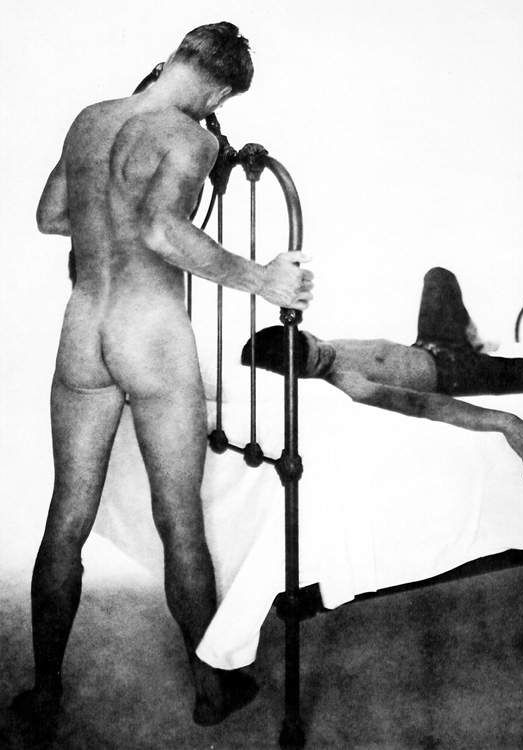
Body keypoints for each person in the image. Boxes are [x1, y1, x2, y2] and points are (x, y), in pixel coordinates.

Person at [13, 22, 314, 731]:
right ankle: (211, 690)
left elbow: (51, 216)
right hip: (148, 333)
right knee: (179, 522)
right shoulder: (192, 138)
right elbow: (160, 230)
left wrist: (107, 213)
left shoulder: (90, 119)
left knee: (65, 519)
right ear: (218, 89)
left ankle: (45, 694)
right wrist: (261, 279)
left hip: (83, 328)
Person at [243, 267, 523, 484]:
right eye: (318, 364)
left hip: (431, 344)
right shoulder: (352, 384)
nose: (326, 355)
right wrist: (506, 421)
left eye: (317, 346)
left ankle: (474, 340)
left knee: (438, 276)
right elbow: (426, 406)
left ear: (306, 332)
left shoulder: (316, 342)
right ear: (305, 377)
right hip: (458, 374)